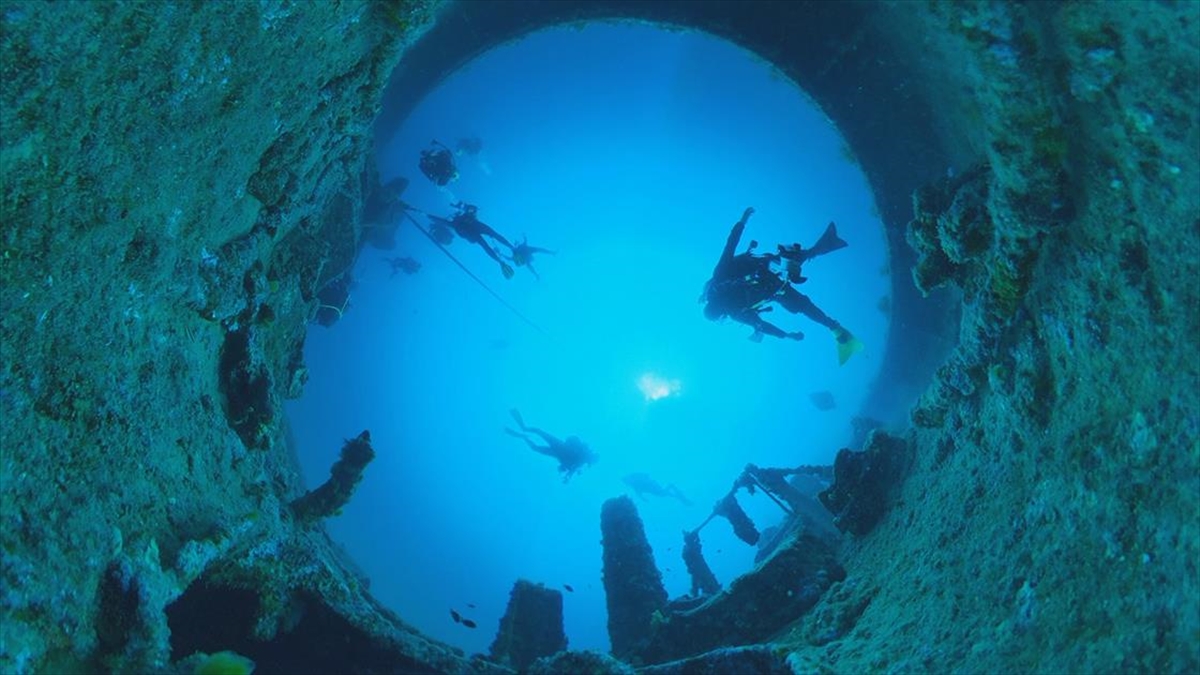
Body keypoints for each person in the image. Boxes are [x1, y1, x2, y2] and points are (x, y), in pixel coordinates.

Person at [703, 208, 864, 363]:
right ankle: (835, 329)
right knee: (802, 303)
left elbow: (730, 246)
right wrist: (786, 335)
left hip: (765, 271)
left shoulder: (721, 277)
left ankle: (835, 328)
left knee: (794, 278)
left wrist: (742, 221)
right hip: (773, 289)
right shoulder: (733, 311)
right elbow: (761, 325)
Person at [505, 409, 597, 482]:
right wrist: (567, 477)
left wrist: (567, 477)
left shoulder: (580, 462)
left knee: (536, 442)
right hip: (559, 447)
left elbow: (570, 472)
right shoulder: (581, 457)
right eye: (591, 460)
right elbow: (571, 471)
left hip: (557, 450)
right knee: (537, 438)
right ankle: (524, 430)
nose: (589, 461)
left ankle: (523, 434)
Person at [428, 202, 516, 278]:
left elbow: (441, 220)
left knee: (486, 242)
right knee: (492, 236)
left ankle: (504, 257)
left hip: (472, 232)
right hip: (474, 228)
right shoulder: (458, 219)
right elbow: (442, 220)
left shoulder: (454, 222)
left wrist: (424, 214)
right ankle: (510, 249)